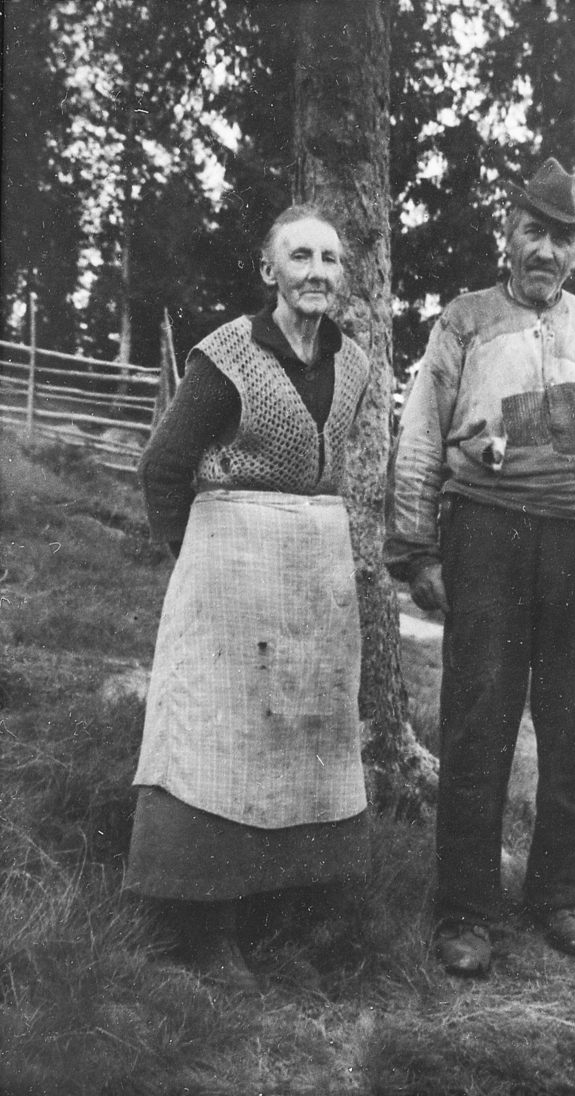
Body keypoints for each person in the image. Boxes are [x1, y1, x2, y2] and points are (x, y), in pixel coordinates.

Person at [384, 158, 575, 976]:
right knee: (479, 720)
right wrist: (415, 549)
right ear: (508, 234)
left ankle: (558, 898)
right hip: (489, 540)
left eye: (563, 238)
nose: (547, 251)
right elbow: (421, 441)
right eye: (534, 232)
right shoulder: (463, 323)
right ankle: (465, 910)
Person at [125, 203, 370, 990]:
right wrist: (194, 556)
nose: (317, 273)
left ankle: (293, 913)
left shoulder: (357, 364)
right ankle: (204, 930)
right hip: (230, 573)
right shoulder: (226, 356)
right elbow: (163, 466)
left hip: (315, 578)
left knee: (307, 740)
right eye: (300, 257)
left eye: (330, 260)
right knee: (219, 742)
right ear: (270, 271)